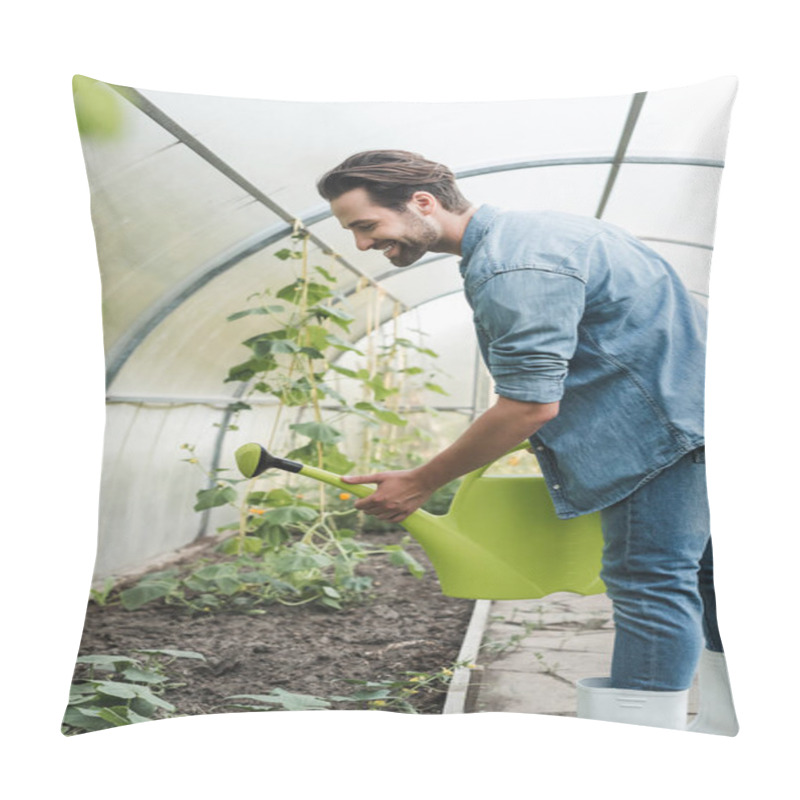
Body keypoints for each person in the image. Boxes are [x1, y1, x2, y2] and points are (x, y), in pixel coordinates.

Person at [316, 149, 738, 734]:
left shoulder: (511, 267)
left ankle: (643, 761)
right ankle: (726, 730)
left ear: (422, 203)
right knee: (710, 577)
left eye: (366, 225)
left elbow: (530, 404)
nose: (363, 244)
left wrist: (420, 482)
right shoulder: (552, 231)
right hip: (704, 422)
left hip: (659, 439)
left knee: (650, 581)